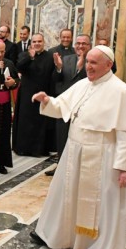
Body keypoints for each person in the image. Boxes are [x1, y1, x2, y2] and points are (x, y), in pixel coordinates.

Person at [30, 46, 126, 249]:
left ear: (108, 65)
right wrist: (46, 101)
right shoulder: (83, 84)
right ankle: (54, 236)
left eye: (93, 63)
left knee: (103, 208)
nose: (88, 66)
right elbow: (62, 106)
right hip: (75, 151)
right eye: (87, 61)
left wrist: (125, 167)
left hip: (103, 157)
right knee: (65, 195)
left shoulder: (121, 92)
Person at [47, 34, 90, 176]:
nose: (80, 46)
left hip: (84, 106)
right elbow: (56, 79)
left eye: (84, 43)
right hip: (65, 104)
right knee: (62, 136)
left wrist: (82, 66)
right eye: (78, 43)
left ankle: (77, 168)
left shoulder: (93, 60)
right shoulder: (66, 59)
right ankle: (60, 165)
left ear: (89, 46)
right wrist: (58, 68)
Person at [13, 33, 55, 157]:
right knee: (25, 122)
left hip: (43, 94)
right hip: (27, 94)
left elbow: (53, 76)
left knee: (40, 122)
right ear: (31, 43)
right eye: (34, 41)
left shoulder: (49, 57)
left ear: (44, 43)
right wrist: (30, 57)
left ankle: (39, 149)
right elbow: (19, 67)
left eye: (39, 41)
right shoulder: (24, 55)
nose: (37, 43)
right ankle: (23, 148)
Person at [0, 38, 19, 175]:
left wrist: (13, 82)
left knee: (4, 134)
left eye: (2, 52)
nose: (0, 55)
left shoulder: (9, 63)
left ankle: (1, 163)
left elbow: (16, 80)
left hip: (5, 104)